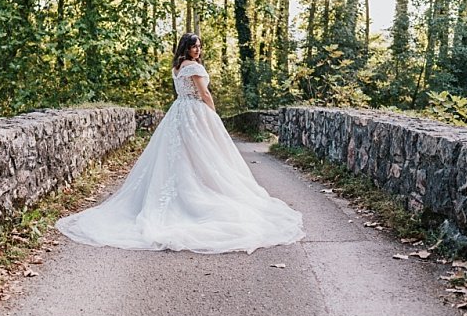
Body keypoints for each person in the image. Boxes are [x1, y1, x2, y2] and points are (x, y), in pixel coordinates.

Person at [57, 33, 305, 254]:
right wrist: (213, 115)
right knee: (200, 154)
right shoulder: (192, 67)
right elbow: (205, 94)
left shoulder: (177, 67)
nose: (198, 50)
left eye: (199, 46)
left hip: (178, 112)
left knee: (181, 155)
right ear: (185, 48)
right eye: (194, 46)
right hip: (195, 112)